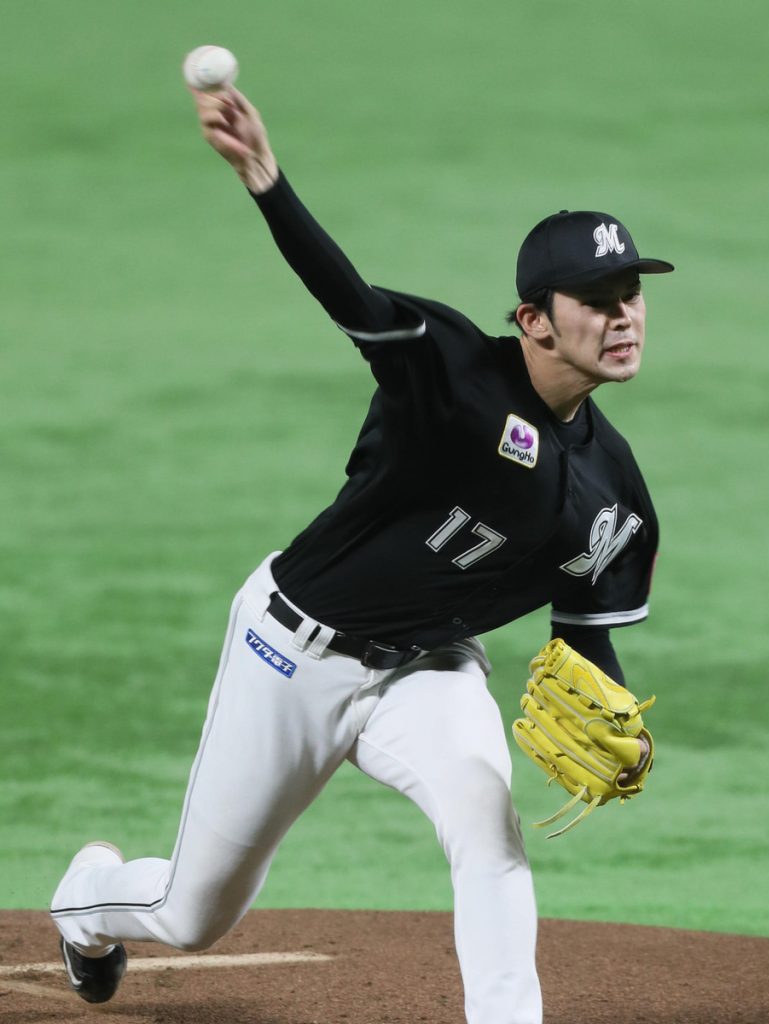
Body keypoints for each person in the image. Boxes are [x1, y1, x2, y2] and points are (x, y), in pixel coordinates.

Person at [50, 84, 673, 1024]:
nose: (623, 315)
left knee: (486, 824)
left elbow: (586, 630)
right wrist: (267, 179)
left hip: (429, 666)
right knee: (194, 913)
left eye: (631, 294)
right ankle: (88, 900)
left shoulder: (617, 492)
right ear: (534, 318)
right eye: (596, 299)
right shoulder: (457, 379)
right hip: (291, 651)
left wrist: (615, 716)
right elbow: (353, 299)